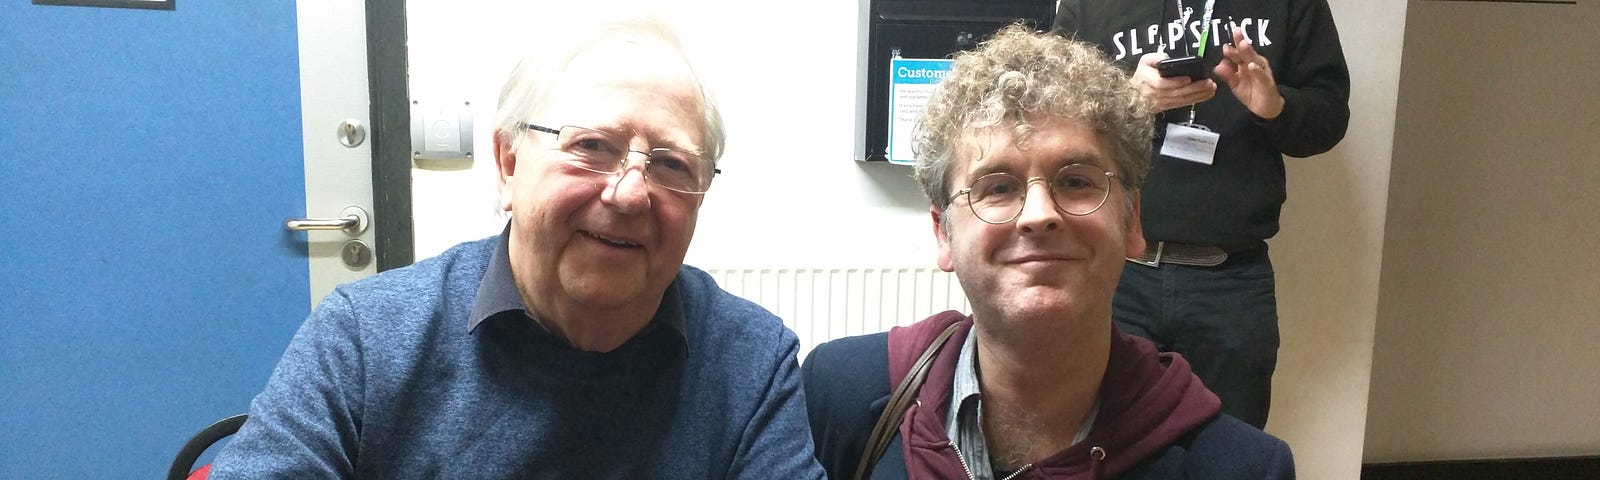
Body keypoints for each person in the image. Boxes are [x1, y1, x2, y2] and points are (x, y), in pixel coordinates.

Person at [210, 16, 824, 479]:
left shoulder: (752, 363)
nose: (631, 192)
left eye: (670, 164)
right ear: (507, 163)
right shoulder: (365, 340)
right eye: (593, 146)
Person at [803, 25, 1292, 479]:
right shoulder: (841, 396)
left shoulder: (1241, 467)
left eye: (1077, 181)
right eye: (996, 187)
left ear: (1132, 221)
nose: (1039, 214)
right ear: (943, 234)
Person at [1053, 0, 1351, 428]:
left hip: (1231, 283)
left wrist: (1275, 106)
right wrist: (1126, 102)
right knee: (1101, 448)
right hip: (1112, 273)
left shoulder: (1292, 4)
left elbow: (1330, 117)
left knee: (1231, 455)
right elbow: (1048, 119)